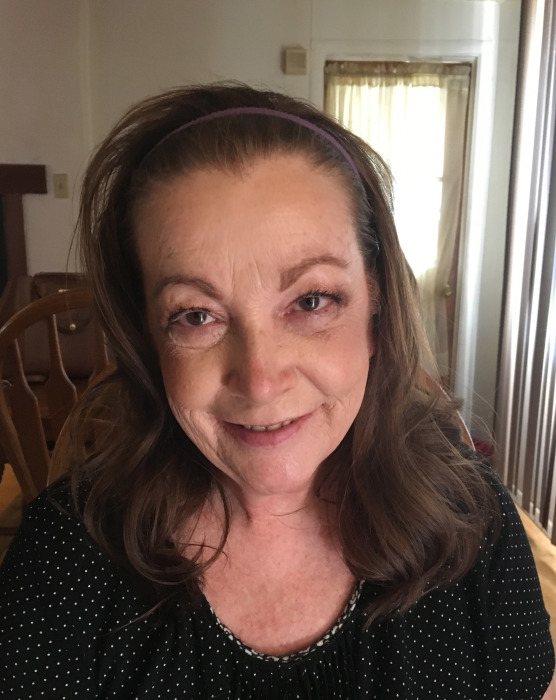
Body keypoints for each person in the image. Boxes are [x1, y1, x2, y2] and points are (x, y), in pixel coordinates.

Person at [0, 83, 554, 699]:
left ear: (376, 311)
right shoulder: (66, 559)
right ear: (147, 339)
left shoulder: (472, 524)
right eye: (196, 315)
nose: (261, 381)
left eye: (311, 301)